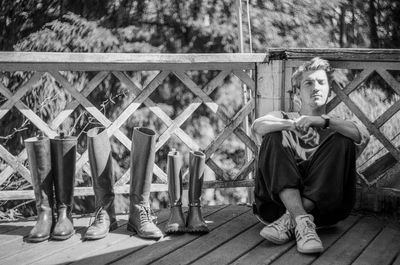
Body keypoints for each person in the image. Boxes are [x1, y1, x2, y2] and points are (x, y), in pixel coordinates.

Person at [251, 57, 369, 254]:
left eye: (321, 82)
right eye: (309, 83)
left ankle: (293, 219)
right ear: (297, 91)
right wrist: (293, 124)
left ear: (329, 90)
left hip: (325, 212)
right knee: (273, 136)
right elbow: (258, 126)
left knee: (344, 140)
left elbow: (362, 134)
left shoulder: (337, 124)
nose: (316, 87)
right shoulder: (283, 117)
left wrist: (322, 122)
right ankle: (301, 222)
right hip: (275, 207)